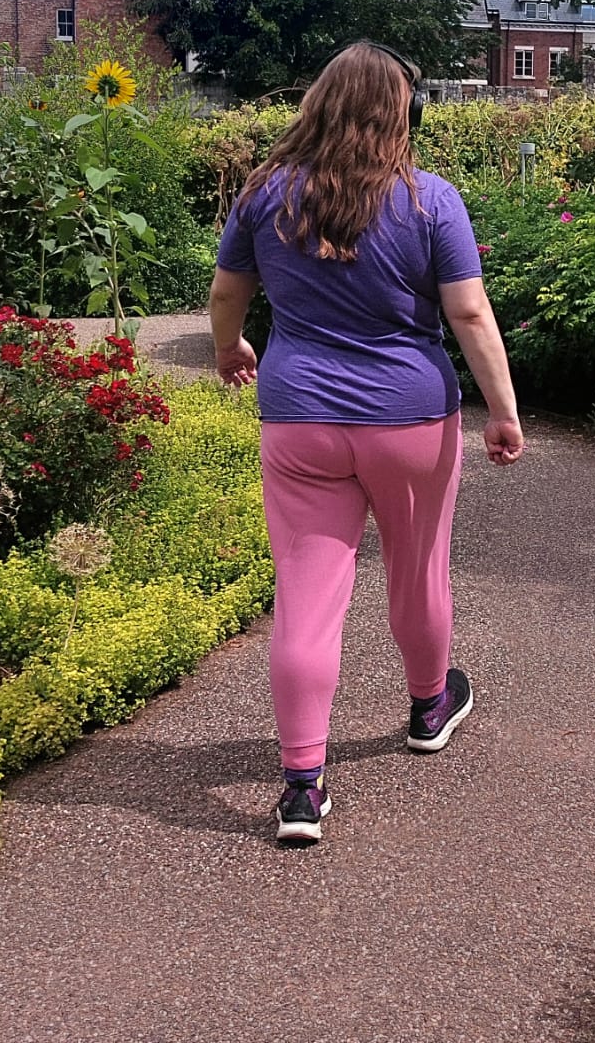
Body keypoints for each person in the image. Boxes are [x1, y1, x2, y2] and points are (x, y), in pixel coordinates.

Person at [208, 41, 524, 845]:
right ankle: (427, 706)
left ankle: (303, 788)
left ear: (315, 107)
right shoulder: (432, 202)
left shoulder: (265, 196)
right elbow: (471, 315)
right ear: (406, 114)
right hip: (409, 421)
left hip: (299, 419)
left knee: (308, 600)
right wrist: (504, 408)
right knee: (419, 570)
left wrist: (229, 349)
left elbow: (226, 292)